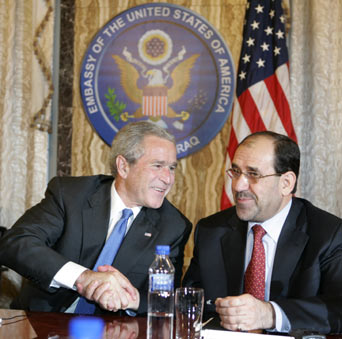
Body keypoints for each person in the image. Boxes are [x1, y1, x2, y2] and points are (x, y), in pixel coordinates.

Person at [0, 121, 192, 315]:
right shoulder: (70, 195)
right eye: (158, 166)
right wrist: (83, 277)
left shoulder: (173, 225)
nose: (168, 179)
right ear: (123, 166)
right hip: (42, 320)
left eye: (172, 168)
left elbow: (169, 300)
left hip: (115, 331)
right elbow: (16, 243)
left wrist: (133, 299)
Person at [183, 131, 342, 334]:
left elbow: (338, 309)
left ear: (286, 183)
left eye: (253, 174)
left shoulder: (328, 234)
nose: (238, 185)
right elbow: (191, 303)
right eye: (236, 171)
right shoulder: (211, 231)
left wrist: (270, 314)